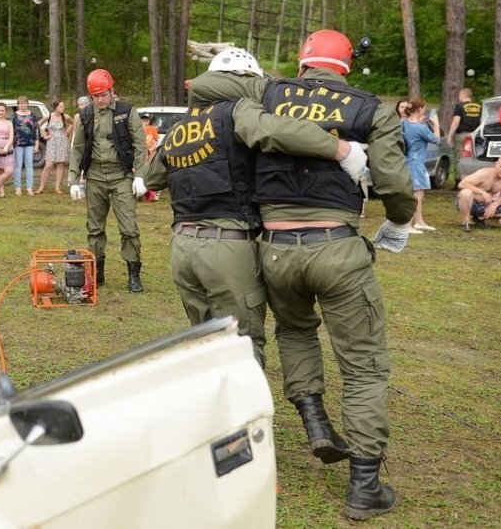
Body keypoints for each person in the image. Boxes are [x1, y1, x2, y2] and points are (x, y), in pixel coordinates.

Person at [254, 30, 415, 520]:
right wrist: (399, 220)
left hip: (274, 248)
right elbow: (391, 179)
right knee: (363, 367)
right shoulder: (371, 109)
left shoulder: (266, 93)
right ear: (346, 66)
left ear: (302, 62)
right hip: (337, 246)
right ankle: (364, 486)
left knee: (296, 330)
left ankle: (315, 419)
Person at [144, 47, 369, 371]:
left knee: (205, 343)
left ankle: (216, 417)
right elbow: (278, 131)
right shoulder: (237, 111)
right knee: (243, 346)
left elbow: (153, 176)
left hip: (182, 247)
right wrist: (340, 149)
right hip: (228, 244)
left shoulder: (181, 125)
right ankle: (245, 420)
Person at [69, 69, 148, 293]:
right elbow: (77, 148)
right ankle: (97, 272)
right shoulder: (85, 115)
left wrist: (141, 175)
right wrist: (74, 179)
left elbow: (140, 145)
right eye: (96, 96)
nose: (101, 99)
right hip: (95, 175)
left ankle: (134, 275)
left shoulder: (127, 110)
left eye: (104, 94)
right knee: (94, 229)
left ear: (112, 91)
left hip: (121, 175)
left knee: (129, 228)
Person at [401, 97, 439, 233]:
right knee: (416, 194)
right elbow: (436, 139)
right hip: (416, 163)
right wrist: (436, 124)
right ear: (419, 109)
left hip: (407, 161)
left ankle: (419, 221)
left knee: (419, 192)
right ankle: (408, 225)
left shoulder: (404, 123)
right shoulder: (420, 128)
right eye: (423, 107)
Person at [455, 154, 501, 232]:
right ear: (496, 164)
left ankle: (480, 218)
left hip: (485, 205)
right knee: (466, 192)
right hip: (470, 202)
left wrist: (494, 205)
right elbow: (462, 183)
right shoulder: (485, 173)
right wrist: (482, 192)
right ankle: (466, 223)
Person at [36, 99, 73, 194]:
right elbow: (38, 124)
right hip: (52, 142)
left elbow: (73, 123)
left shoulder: (65, 117)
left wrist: (67, 132)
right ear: (56, 107)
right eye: (61, 106)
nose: (63, 108)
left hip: (62, 142)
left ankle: (57, 188)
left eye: (63, 106)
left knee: (60, 164)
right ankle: (41, 187)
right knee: (48, 165)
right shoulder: (49, 116)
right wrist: (44, 135)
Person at [447, 88, 481, 188]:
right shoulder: (478, 106)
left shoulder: (460, 106)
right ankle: (473, 179)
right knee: (473, 157)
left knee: (459, 158)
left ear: (462, 95)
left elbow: (456, 121)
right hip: (474, 136)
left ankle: (459, 180)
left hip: (462, 135)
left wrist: (450, 135)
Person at [11, 96, 40, 196]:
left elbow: (36, 130)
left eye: (25, 103)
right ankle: (18, 187)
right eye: (21, 103)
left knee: (29, 166)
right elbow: (11, 131)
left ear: (28, 104)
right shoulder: (14, 116)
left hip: (30, 144)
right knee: (18, 166)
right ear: (18, 104)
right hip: (18, 144)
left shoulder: (33, 115)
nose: (23, 105)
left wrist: (36, 145)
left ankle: (29, 187)